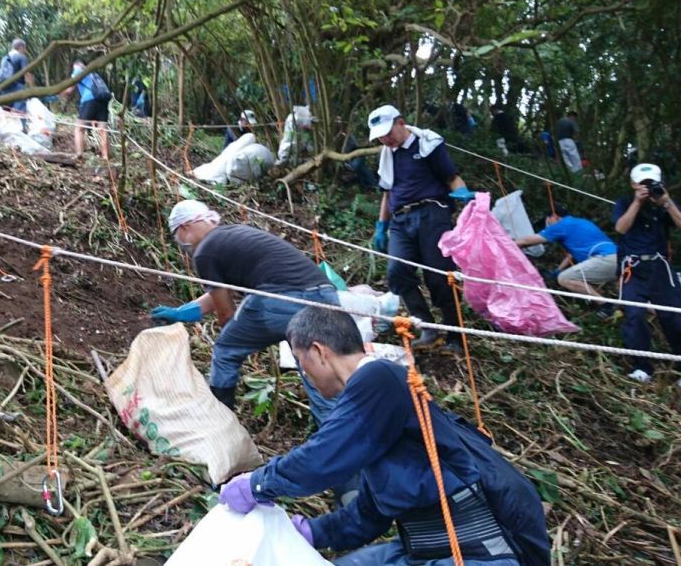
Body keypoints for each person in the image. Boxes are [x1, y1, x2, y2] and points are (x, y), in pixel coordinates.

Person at [218, 307, 550, 566]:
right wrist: (312, 532)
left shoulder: (378, 378)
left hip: (476, 552)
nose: (305, 375)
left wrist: (258, 484)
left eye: (303, 363)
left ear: (319, 352)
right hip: (423, 549)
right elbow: (370, 514)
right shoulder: (376, 406)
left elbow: (324, 456)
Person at [150, 200, 339, 421]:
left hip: (282, 299)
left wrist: (234, 336)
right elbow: (218, 295)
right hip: (326, 298)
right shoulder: (234, 235)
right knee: (316, 371)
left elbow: (226, 312)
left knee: (226, 351)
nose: (181, 244)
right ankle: (337, 434)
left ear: (184, 228)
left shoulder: (205, 252)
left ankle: (219, 422)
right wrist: (181, 313)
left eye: (176, 237)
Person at [369, 104, 474, 350]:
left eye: (388, 132)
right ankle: (428, 327)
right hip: (400, 220)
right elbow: (388, 192)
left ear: (401, 123)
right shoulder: (387, 154)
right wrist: (381, 225)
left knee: (438, 277)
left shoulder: (427, 144)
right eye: (380, 136)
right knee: (397, 272)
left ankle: (455, 336)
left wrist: (462, 194)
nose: (386, 139)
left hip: (431, 213)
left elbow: (451, 176)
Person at [613, 163, 681, 393]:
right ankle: (642, 367)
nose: (647, 187)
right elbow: (621, 229)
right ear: (633, 184)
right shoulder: (624, 202)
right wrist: (637, 202)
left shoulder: (664, 203)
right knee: (634, 314)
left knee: (675, 317)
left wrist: (667, 203)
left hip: (661, 267)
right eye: (643, 183)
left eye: (651, 183)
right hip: (633, 266)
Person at [514, 203, 618, 318]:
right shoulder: (582, 222)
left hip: (604, 259)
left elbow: (527, 241)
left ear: (554, 216)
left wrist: (507, 244)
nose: (547, 222)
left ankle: (606, 305)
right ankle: (608, 307)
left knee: (565, 278)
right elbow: (571, 255)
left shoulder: (561, 225)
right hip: (619, 259)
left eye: (547, 219)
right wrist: (558, 270)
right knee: (577, 278)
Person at [64, 59, 112, 160]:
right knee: (103, 130)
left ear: (77, 66)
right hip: (103, 100)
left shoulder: (78, 71)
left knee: (79, 128)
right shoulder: (93, 74)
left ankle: (79, 154)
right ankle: (105, 156)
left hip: (89, 100)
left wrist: (58, 93)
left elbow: (69, 89)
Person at [0, 38, 30, 131]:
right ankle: (21, 133)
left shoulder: (5, 58)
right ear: (21, 47)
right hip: (18, 88)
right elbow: (26, 73)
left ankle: (5, 133)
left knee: (6, 111)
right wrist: (31, 88)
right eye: (24, 48)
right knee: (20, 112)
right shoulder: (21, 57)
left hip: (5, 88)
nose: (25, 51)